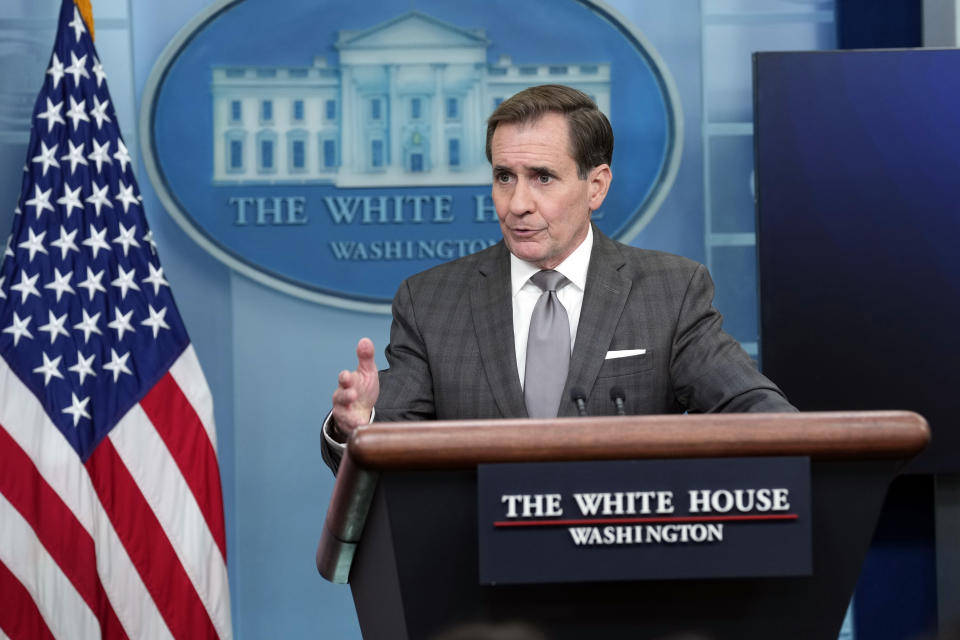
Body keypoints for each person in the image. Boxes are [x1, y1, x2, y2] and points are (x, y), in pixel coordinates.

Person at [322, 84, 794, 473]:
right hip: (478, 571)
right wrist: (356, 423)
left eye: (542, 178)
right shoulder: (430, 301)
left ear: (596, 186)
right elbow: (384, 434)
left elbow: (752, 410)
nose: (517, 203)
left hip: (625, 565)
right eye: (504, 177)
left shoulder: (671, 291)